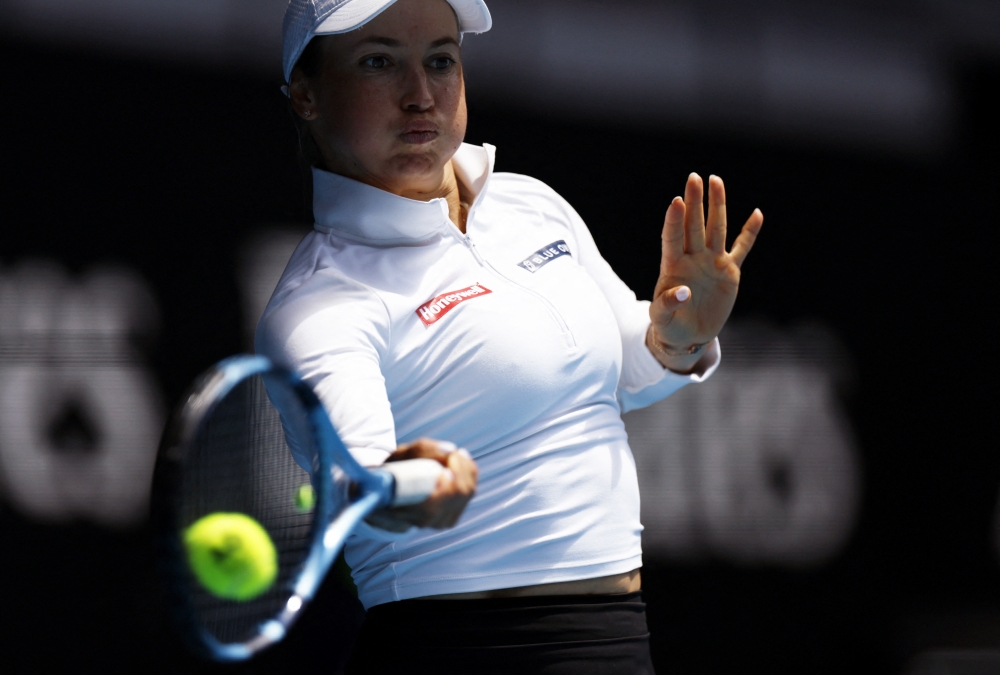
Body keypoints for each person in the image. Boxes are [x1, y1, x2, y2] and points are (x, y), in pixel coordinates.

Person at [256, 0, 763, 672]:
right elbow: (361, 478)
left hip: (614, 640)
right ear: (306, 95)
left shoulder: (531, 203)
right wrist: (410, 481)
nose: (421, 95)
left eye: (441, 59)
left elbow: (621, 373)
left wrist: (679, 339)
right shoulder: (320, 304)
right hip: (460, 652)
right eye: (378, 61)